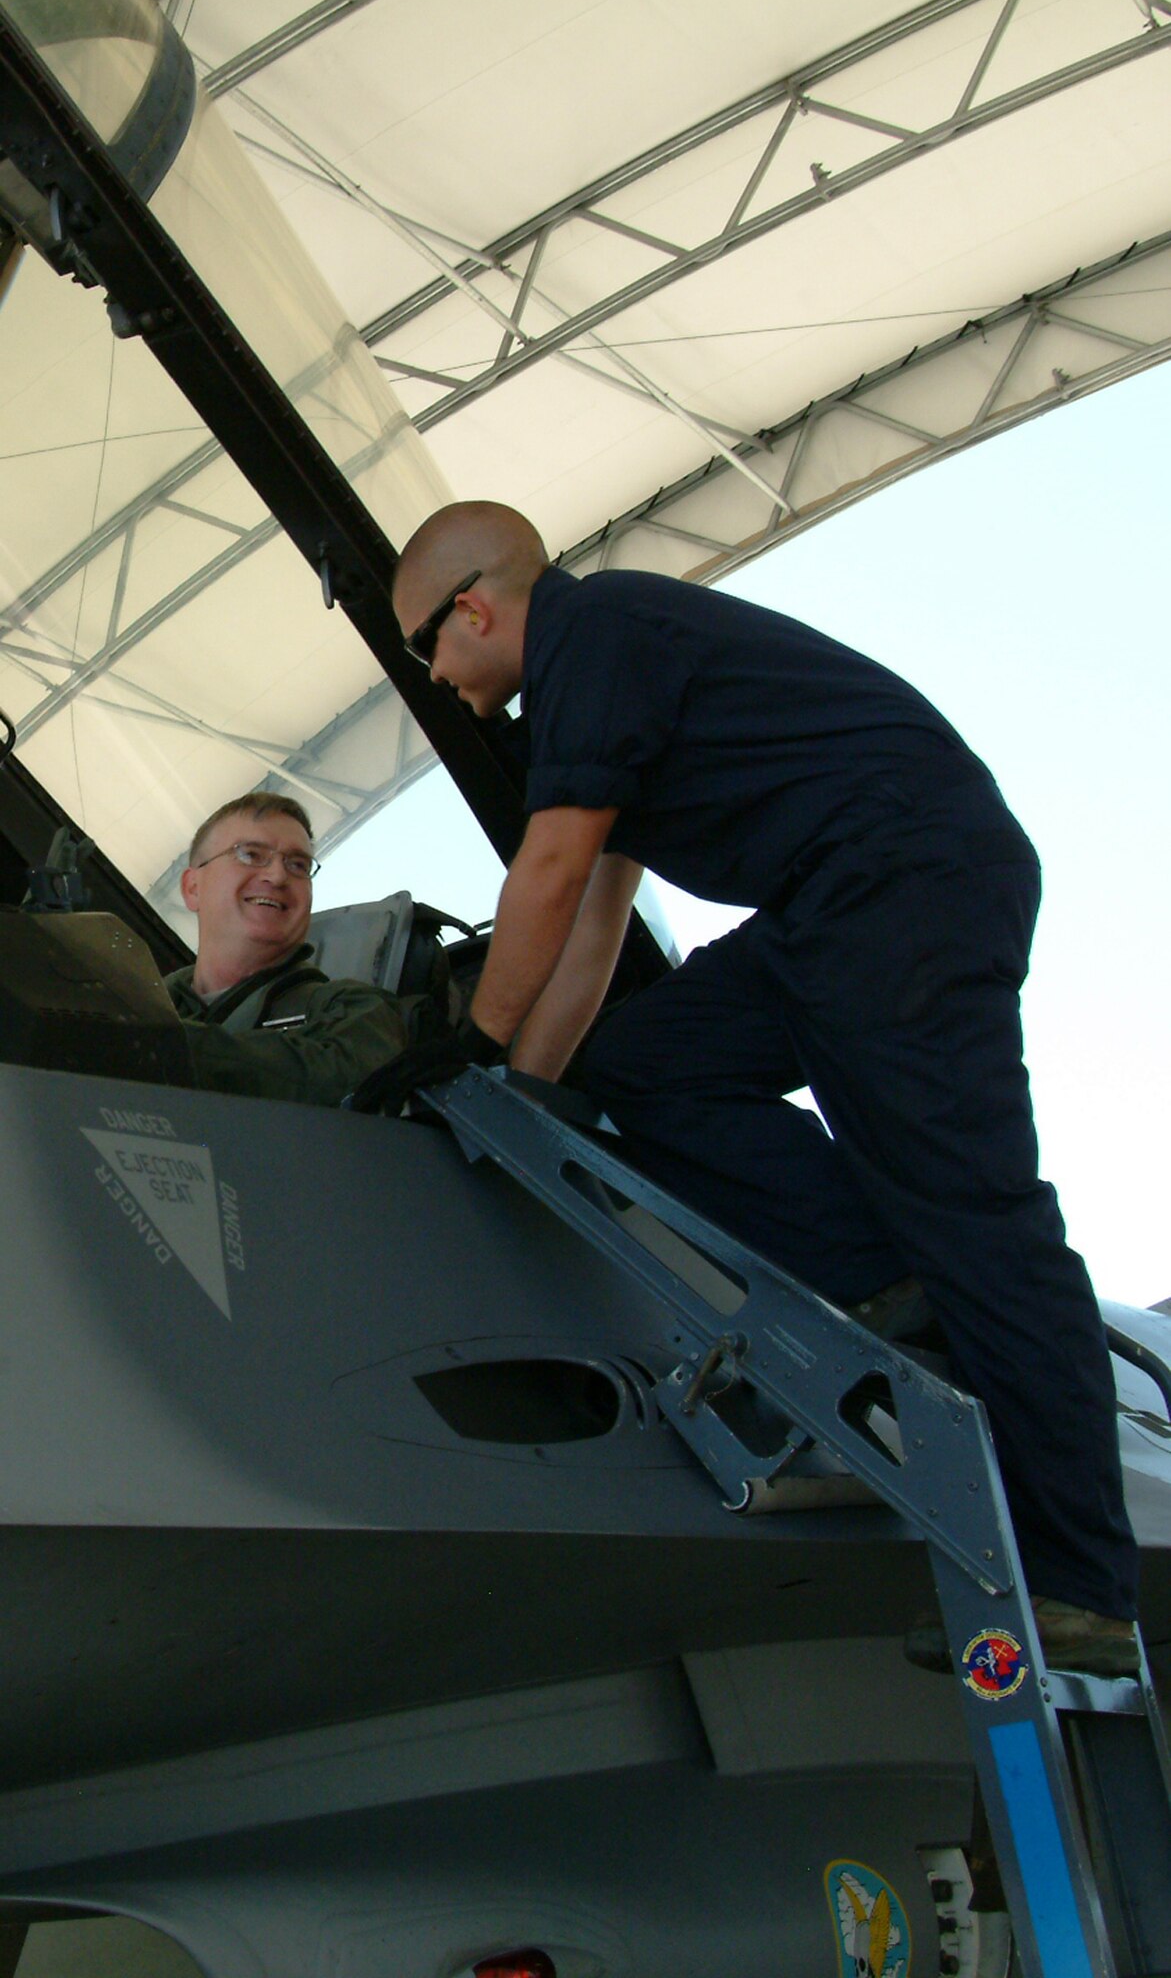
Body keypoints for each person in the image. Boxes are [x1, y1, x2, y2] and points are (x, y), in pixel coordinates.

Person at [386, 499, 1140, 1676]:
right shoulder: (599, 678)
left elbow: (553, 863)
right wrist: (516, 1093)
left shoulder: (598, 633)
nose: (437, 673)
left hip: (897, 885)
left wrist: (469, 1032)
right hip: (823, 910)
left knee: (977, 1219)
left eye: (430, 644)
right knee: (647, 1064)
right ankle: (889, 1273)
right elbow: (595, 915)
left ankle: (1079, 1581)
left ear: (473, 607)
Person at [168, 791, 423, 1105]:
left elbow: (347, 1078)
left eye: (298, 864)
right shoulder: (133, 1000)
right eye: (250, 854)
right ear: (193, 888)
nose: (277, 876)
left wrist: (151, 1045)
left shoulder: (358, 1011)